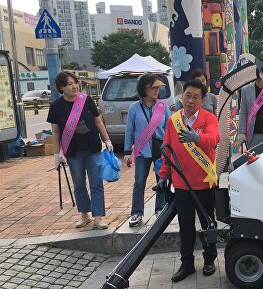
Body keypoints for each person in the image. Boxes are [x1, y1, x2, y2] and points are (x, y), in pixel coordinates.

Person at [158, 79, 221, 282]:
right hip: (182, 184)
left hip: (204, 182)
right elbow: (167, 150)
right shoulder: (173, 120)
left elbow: (214, 139)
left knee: (207, 223)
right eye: (187, 95)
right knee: (185, 227)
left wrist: (197, 138)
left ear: (203, 100)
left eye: (196, 97)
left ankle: (210, 259)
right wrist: (163, 175)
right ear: (181, 96)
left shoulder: (209, 118)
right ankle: (187, 264)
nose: (190, 100)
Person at [47, 71, 113, 230]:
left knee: (96, 184)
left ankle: (98, 218)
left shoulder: (87, 100)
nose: (74, 86)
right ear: (61, 87)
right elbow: (55, 132)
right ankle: (85, 215)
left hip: (93, 149)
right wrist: (57, 154)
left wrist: (107, 140)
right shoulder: (56, 107)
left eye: (75, 82)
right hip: (73, 152)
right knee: (79, 184)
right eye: (69, 84)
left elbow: (98, 121)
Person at [123, 73, 171, 227]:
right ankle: (137, 213)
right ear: (144, 89)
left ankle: (160, 209)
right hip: (142, 151)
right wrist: (126, 152)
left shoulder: (163, 106)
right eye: (153, 87)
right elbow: (129, 130)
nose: (156, 90)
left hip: (160, 149)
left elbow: (168, 128)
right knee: (139, 182)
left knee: (162, 181)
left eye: (158, 87)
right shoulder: (134, 108)